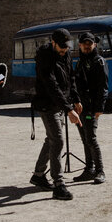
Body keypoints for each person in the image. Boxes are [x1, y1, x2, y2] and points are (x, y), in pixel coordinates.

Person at [30, 27, 80, 201]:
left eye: (66, 46)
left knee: (51, 139)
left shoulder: (65, 53)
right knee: (57, 140)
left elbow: (70, 77)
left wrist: (75, 98)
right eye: (61, 46)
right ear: (52, 42)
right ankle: (58, 184)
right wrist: (69, 109)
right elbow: (52, 86)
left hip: (60, 103)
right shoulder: (44, 58)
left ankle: (38, 174)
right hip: (47, 104)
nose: (64, 49)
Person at [72, 31, 108, 183]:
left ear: (94, 44)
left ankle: (100, 171)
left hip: (92, 107)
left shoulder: (99, 61)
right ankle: (89, 169)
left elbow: (103, 86)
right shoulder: (80, 62)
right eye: (84, 44)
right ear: (79, 45)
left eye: (89, 44)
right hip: (80, 107)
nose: (87, 46)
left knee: (91, 139)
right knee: (85, 139)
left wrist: (99, 108)